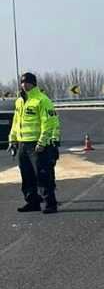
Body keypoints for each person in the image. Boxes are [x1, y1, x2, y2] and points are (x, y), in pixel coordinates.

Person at [7, 72, 60, 214]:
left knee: (42, 174)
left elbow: (48, 123)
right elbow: (16, 122)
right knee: (27, 175)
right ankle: (32, 202)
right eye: (22, 82)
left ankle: (50, 203)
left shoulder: (42, 100)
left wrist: (42, 142)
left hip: (37, 144)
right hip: (23, 144)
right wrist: (12, 139)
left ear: (34, 83)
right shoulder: (19, 101)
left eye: (27, 82)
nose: (24, 85)